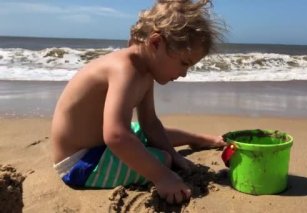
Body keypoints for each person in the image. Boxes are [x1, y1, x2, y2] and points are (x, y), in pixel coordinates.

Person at [51, 0, 225, 204]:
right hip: (81, 162)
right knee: (162, 160)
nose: (184, 74)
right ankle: (169, 159)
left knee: (146, 134)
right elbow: (116, 136)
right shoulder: (125, 70)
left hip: (101, 144)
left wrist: (173, 152)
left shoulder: (143, 70)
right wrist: (163, 176)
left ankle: (200, 139)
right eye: (184, 63)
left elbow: (149, 123)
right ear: (156, 43)